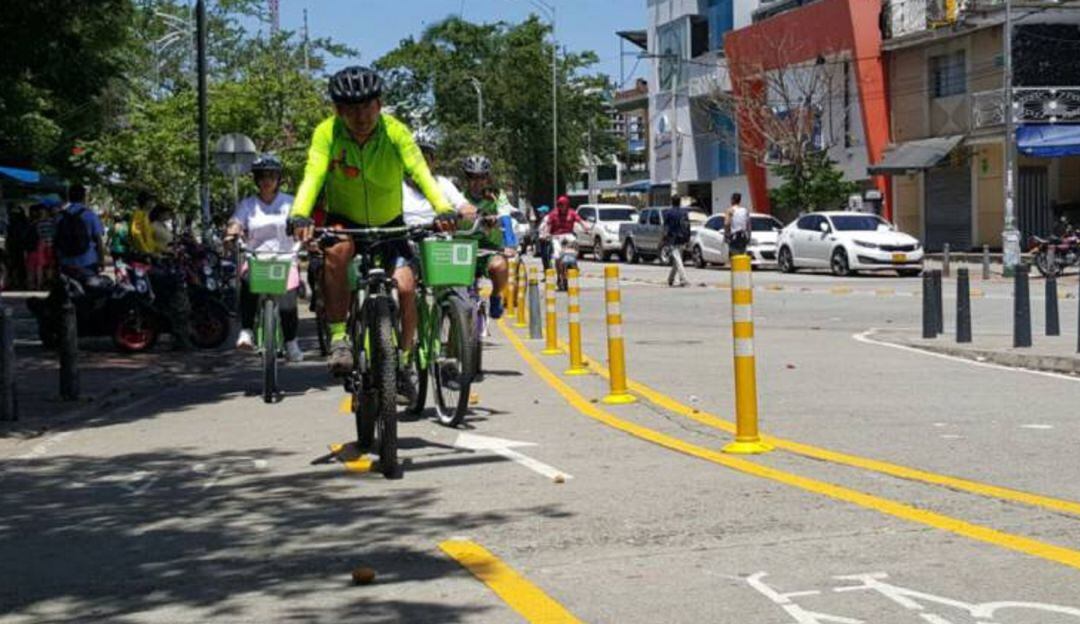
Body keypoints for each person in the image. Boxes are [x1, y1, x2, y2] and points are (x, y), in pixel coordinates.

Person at [289, 66, 462, 396]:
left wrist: (442, 208)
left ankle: (405, 361)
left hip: (390, 223)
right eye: (351, 109)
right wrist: (299, 214)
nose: (361, 117)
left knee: (407, 287)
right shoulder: (327, 133)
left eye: (367, 107)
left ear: (379, 104)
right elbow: (313, 174)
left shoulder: (395, 131)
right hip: (345, 220)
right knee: (336, 252)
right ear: (338, 110)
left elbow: (420, 171)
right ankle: (339, 337)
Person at [227, 154, 303, 363]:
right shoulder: (248, 205)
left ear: (279, 179)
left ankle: (291, 342)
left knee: (288, 306)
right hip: (256, 259)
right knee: (247, 282)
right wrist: (232, 232)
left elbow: (301, 222)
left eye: (271, 176)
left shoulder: (290, 203)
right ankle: (246, 331)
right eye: (262, 176)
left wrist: (305, 234)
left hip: (285, 259)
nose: (267, 180)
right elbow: (235, 223)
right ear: (256, 180)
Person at [459, 154, 516, 318]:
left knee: (500, 266)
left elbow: (505, 218)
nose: (477, 182)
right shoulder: (459, 198)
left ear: (487, 178)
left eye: (482, 177)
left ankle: (496, 296)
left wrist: (509, 244)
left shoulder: (497, 196)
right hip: (463, 250)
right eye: (472, 177)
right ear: (466, 178)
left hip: (488, 250)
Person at [402, 130, 470, 226]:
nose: (420, 165)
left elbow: (463, 205)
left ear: (433, 163)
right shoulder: (398, 188)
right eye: (415, 160)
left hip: (441, 234)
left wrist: (474, 213)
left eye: (425, 160)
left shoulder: (443, 183)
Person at [54, 184, 106, 278]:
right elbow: (98, 240)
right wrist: (101, 260)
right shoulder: (90, 215)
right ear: (84, 197)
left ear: (69, 197)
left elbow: (56, 239)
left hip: (66, 262)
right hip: (87, 261)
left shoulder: (60, 216)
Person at [540, 195, 590, 276]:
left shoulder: (572, 213)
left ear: (567, 205)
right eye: (560, 205)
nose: (562, 207)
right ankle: (559, 275)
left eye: (564, 205)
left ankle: (573, 264)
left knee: (574, 245)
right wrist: (546, 234)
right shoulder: (553, 214)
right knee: (557, 256)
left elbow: (580, 221)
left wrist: (586, 227)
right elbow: (548, 225)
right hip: (556, 236)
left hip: (568, 235)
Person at [661, 194, 690, 287]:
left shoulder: (668, 213)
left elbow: (665, 228)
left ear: (672, 202)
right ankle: (671, 279)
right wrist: (687, 238)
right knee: (677, 259)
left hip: (672, 239)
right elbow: (687, 226)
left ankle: (683, 279)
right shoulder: (684, 213)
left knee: (677, 259)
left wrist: (664, 238)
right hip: (682, 238)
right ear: (680, 202)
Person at [130, 191, 161, 256]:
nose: (154, 203)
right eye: (151, 200)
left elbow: (149, 239)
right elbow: (136, 234)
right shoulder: (139, 214)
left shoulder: (146, 217)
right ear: (145, 201)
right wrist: (146, 251)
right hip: (142, 255)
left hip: (149, 253)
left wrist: (162, 249)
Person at [724, 192, 751, 257]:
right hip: (743, 236)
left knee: (734, 257)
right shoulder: (745, 210)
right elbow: (749, 225)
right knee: (742, 256)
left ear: (732, 200)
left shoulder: (730, 210)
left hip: (734, 236)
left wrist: (726, 235)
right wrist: (749, 236)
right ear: (740, 200)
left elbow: (727, 223)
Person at [533, 204, 552, 271]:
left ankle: (548, 270)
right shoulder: (543, 220)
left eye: (541, 212)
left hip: (546, 240)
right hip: (542, 240)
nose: (539, 213)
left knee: (546, 256)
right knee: (544, 256)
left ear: (545, 212)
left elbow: (550, 229)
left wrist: (547, 236)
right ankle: (546, 270)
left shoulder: (548, 219)